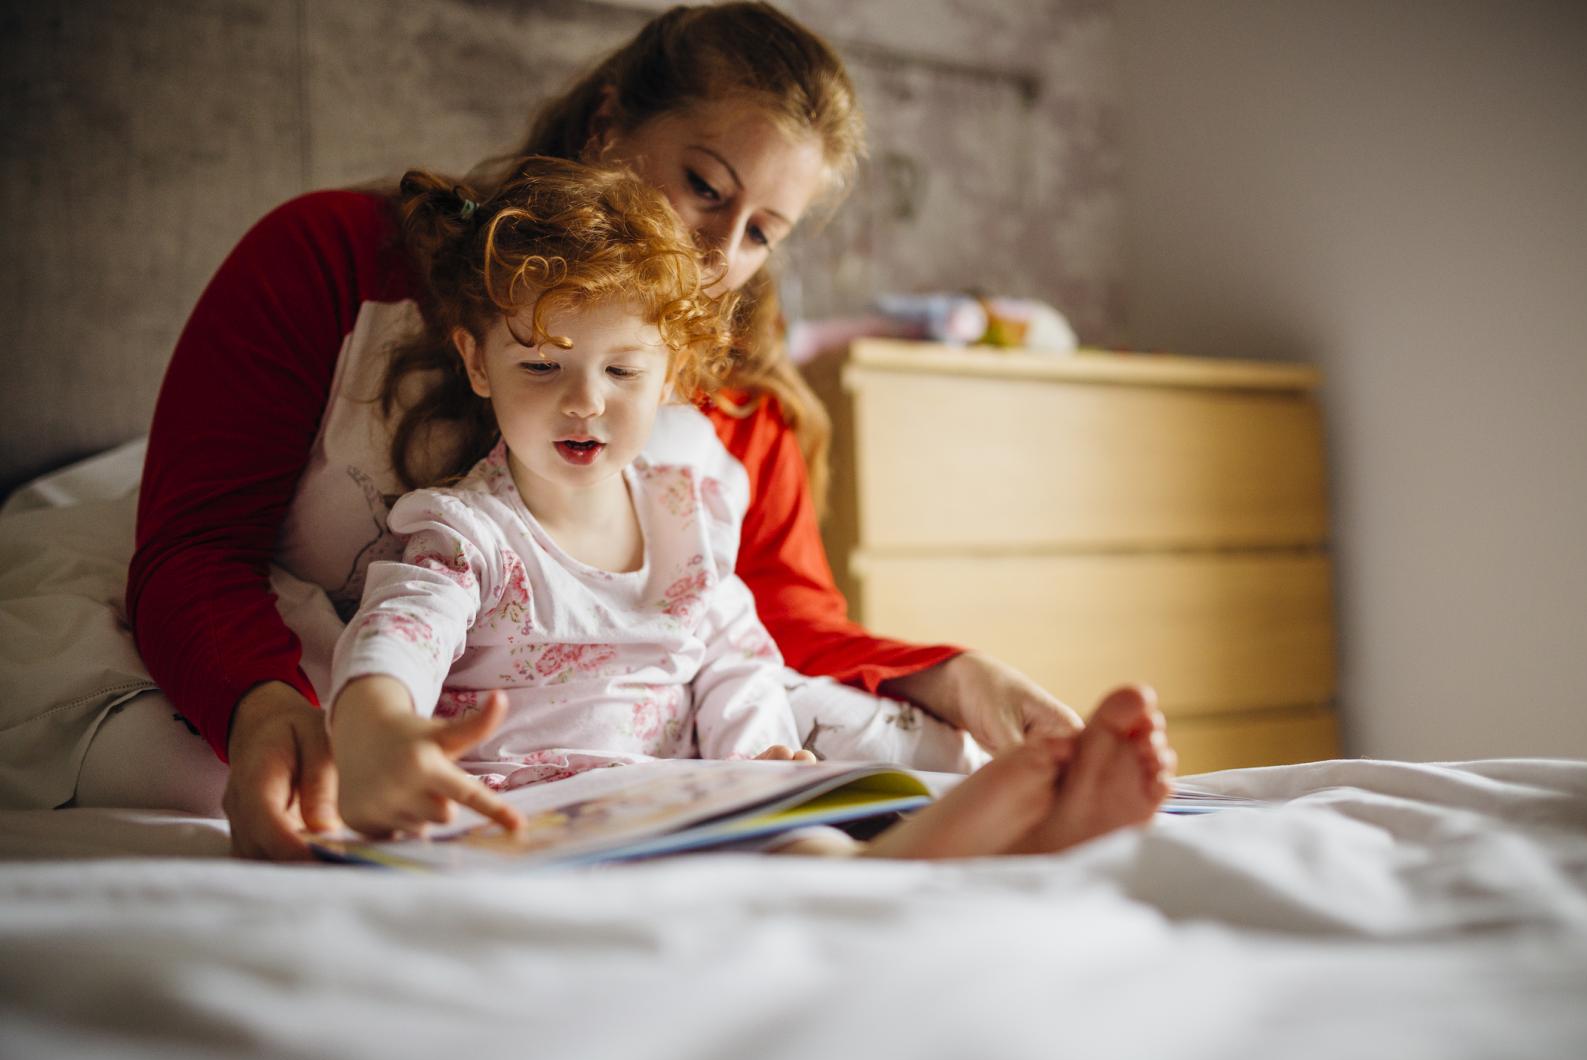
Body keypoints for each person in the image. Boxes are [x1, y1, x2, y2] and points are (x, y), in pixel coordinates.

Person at [120, 2, 1089, 861]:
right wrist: (266, 708)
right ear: (608, 123)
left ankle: (936, 834)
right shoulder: (331, 257)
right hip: (345, 673)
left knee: (869, 732)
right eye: (706, 186)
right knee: (192, 768)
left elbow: (764, 612)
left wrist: (952, 677)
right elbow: (197, 543)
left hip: (630, 699)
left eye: (761, 231)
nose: (717, 253)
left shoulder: (731, 401)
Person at [327, 157, 1175, 854]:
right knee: (811, 864)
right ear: (478, 364)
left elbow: (735, 660)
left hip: (688, 798)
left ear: (670, 374)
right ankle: (964, 849)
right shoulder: (466, 533)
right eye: (541, 368)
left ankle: (1002, 841)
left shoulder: (682, 512)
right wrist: (377, 733)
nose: (584, 402)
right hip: (537, 815)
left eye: (622, 372)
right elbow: (398, 636)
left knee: (803, 838)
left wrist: (760, 760)